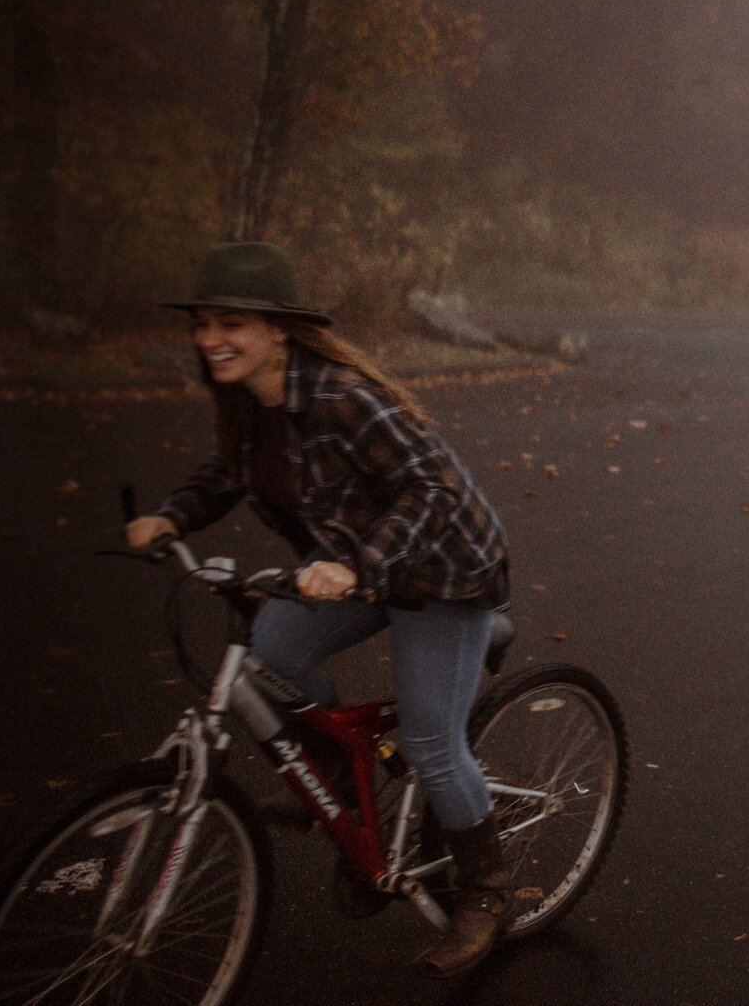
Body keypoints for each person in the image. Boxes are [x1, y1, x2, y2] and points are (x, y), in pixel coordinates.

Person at [122, 241, 514, 978]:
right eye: (202, 322)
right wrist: (173, 516)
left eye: (229, 321)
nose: (209, 338)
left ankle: (488, 891)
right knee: (268, 656)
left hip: (440, 572)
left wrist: (357, 566)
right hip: (352, 566)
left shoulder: (342, 395)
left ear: (279, 330)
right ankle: (338, 776)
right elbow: (232, 469)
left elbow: (432, 487)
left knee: (433, 742)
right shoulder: (247, 400)